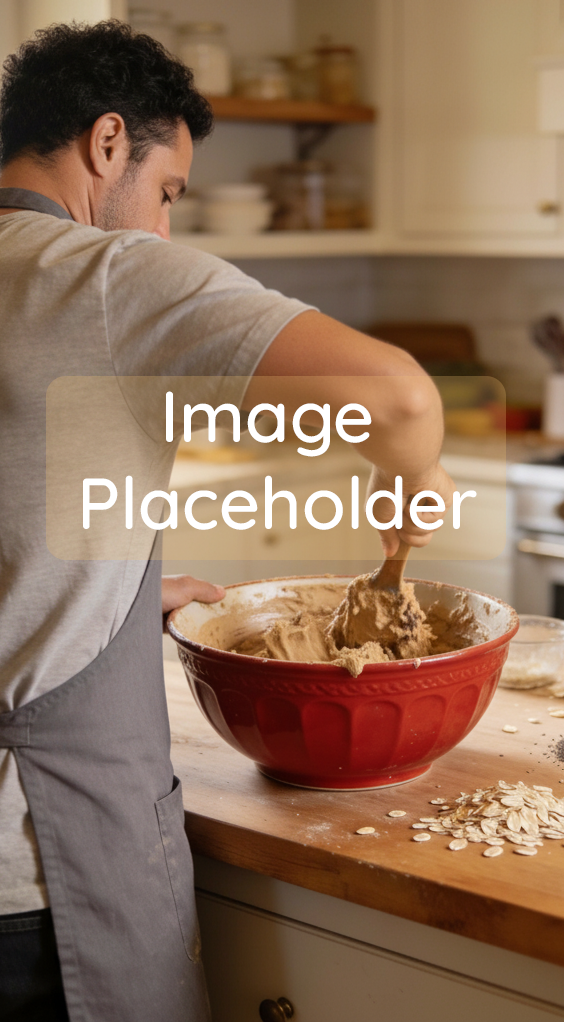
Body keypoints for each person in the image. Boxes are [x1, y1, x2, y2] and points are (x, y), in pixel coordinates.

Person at [0, 20, 454, 1022]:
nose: (160, 229)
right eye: (165, 192)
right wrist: (411, 480)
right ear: (106, 143)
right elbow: (402, 401)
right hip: (34, 878)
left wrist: (99, 594)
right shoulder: (101, 277)